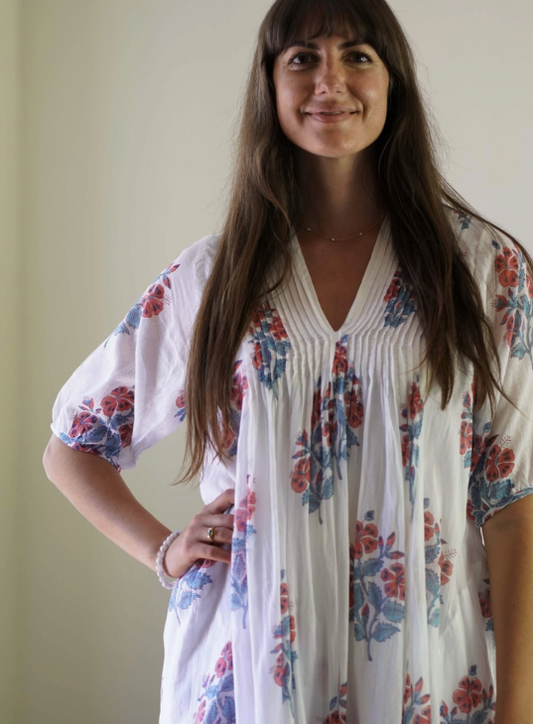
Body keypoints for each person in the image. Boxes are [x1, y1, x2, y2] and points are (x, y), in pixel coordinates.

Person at [43, 0, 533, 722]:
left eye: (357, 55)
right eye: (301, 58)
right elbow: (71, 450)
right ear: (269, 88)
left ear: (393, 83)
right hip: (246, 674)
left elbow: (512, 506)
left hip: (424, 678)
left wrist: (517, 708)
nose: (328, 80)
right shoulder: (214, 277)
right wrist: (163, 552)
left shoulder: (481, 268)